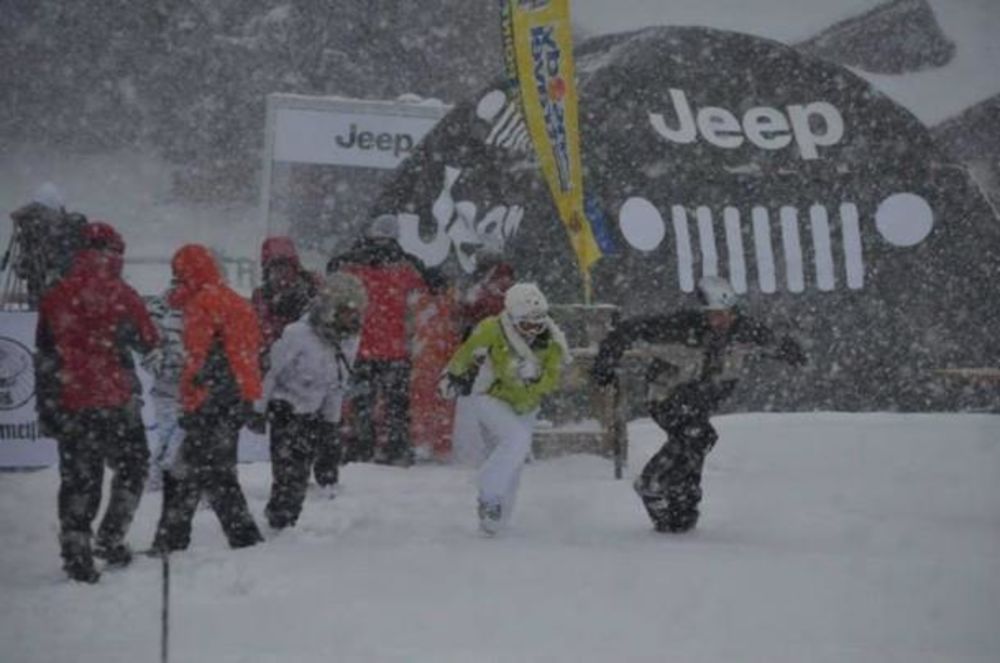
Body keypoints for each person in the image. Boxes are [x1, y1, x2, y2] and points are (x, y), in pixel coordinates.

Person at [591, 275, 808, 533]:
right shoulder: (679, 327)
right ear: (702, 313)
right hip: (667, 396)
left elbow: (770, 342)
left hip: (702, 399)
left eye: (726, 314)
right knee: (697, 433)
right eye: (714, 315)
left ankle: (681, 508)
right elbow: (627, 330)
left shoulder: (744, 330)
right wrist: (605, 364)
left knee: (697, 444)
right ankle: (652, 480)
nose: (721, 321)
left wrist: (789, 351)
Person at [35, 221, 160, 582]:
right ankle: (111, 535)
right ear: (115, 253)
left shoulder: (55, 294)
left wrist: (48, 404)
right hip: (117, 399)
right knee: (133, 466)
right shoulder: (125, 295)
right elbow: (149, 341)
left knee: (78, 479)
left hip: (70, 399)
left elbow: (44, 351)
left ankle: (77, 553)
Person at [150, 244, 264, 553]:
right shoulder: (236, 301)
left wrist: (190, 402)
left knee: (192, 472)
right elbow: (250, 354)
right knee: (210, 472)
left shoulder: (202, 304)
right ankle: (240, 539)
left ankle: (175, 541)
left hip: (210, 401)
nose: (176, 282)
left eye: (178, 276)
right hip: (235, 398)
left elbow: (196, 360)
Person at [438, 282, 570, 535]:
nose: (533, 330)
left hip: (526, 405)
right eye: (526, 324)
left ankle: (494, 521)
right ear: (512, 317)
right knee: (516, 440)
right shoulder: (491, 329)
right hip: (490, 396)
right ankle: (488, 489)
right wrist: (451, 377)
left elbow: (553, 377)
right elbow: (465, 354)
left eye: (538, 323)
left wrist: (535, 378)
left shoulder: (553, 341)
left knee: (512, 461)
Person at [327, 213, 445, 466]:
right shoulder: (406, 264)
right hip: (395, 348)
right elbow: (434, 284)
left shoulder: (351, 263)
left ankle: (360, 448)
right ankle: (395, 449)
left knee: (361, 403)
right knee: (396, 406)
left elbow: (332, 274)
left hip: (360, 348)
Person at [254, 273, 367, 529]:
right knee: (287, 472)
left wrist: (332, 423)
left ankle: (285, 520)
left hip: (314, 412)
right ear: (331, 309)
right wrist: (257, 409)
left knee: (300, 473)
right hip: (286, 408)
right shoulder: (297, 335)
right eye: (347, 310)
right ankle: (279, 520)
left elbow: (338, 383)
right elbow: (272, 372)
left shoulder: (349, 340)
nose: (354, 317)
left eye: (357, 310)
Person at [450, 240, 516, 466]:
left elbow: (477, 308)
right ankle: (492, 448)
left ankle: (482, 451)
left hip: (487, 346)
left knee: (480, 399)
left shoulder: (492, 283)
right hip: (493, 346)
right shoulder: (500, 281)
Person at [7, 183, 87, 308]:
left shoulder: (30, 228)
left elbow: (23, 270)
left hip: (39, 297)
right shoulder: (70, 229)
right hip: (63, 300)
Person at [140, 284, 187, 492]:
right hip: (167, 389)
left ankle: (162, 477)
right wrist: (165, 368)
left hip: (197, 388)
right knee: (169, 435)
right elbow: (146, 347)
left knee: (185, 436)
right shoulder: (159, 309)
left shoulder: (207, 302)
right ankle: (159, 477)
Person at [251, 236, 320, 368]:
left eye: (285, 266)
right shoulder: (262, 297)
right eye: (275, 268)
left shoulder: (311, 292)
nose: (281, 274)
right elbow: (260, 332)